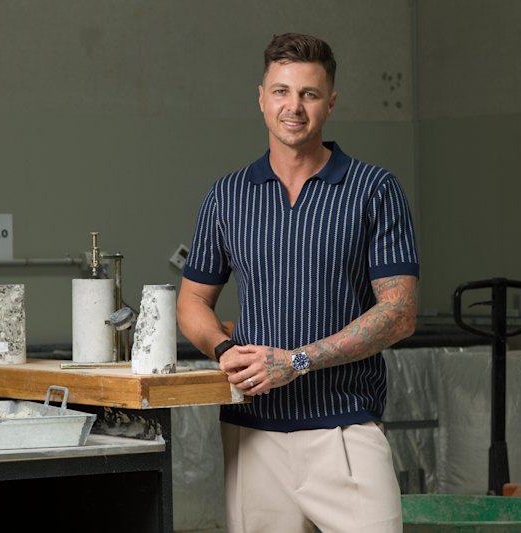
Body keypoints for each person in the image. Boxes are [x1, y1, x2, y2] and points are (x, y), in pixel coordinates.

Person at [177, 32, 419, 533]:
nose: (294, 107)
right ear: (261, 98)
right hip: (252, 436)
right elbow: (193, 301)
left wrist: (297, 361)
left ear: (330, 104)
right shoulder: (227, 196)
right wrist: (224, 349)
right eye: (282, 91)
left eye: (309, 94)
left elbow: (398, 314)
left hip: (344, 431)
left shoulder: (374, 190)